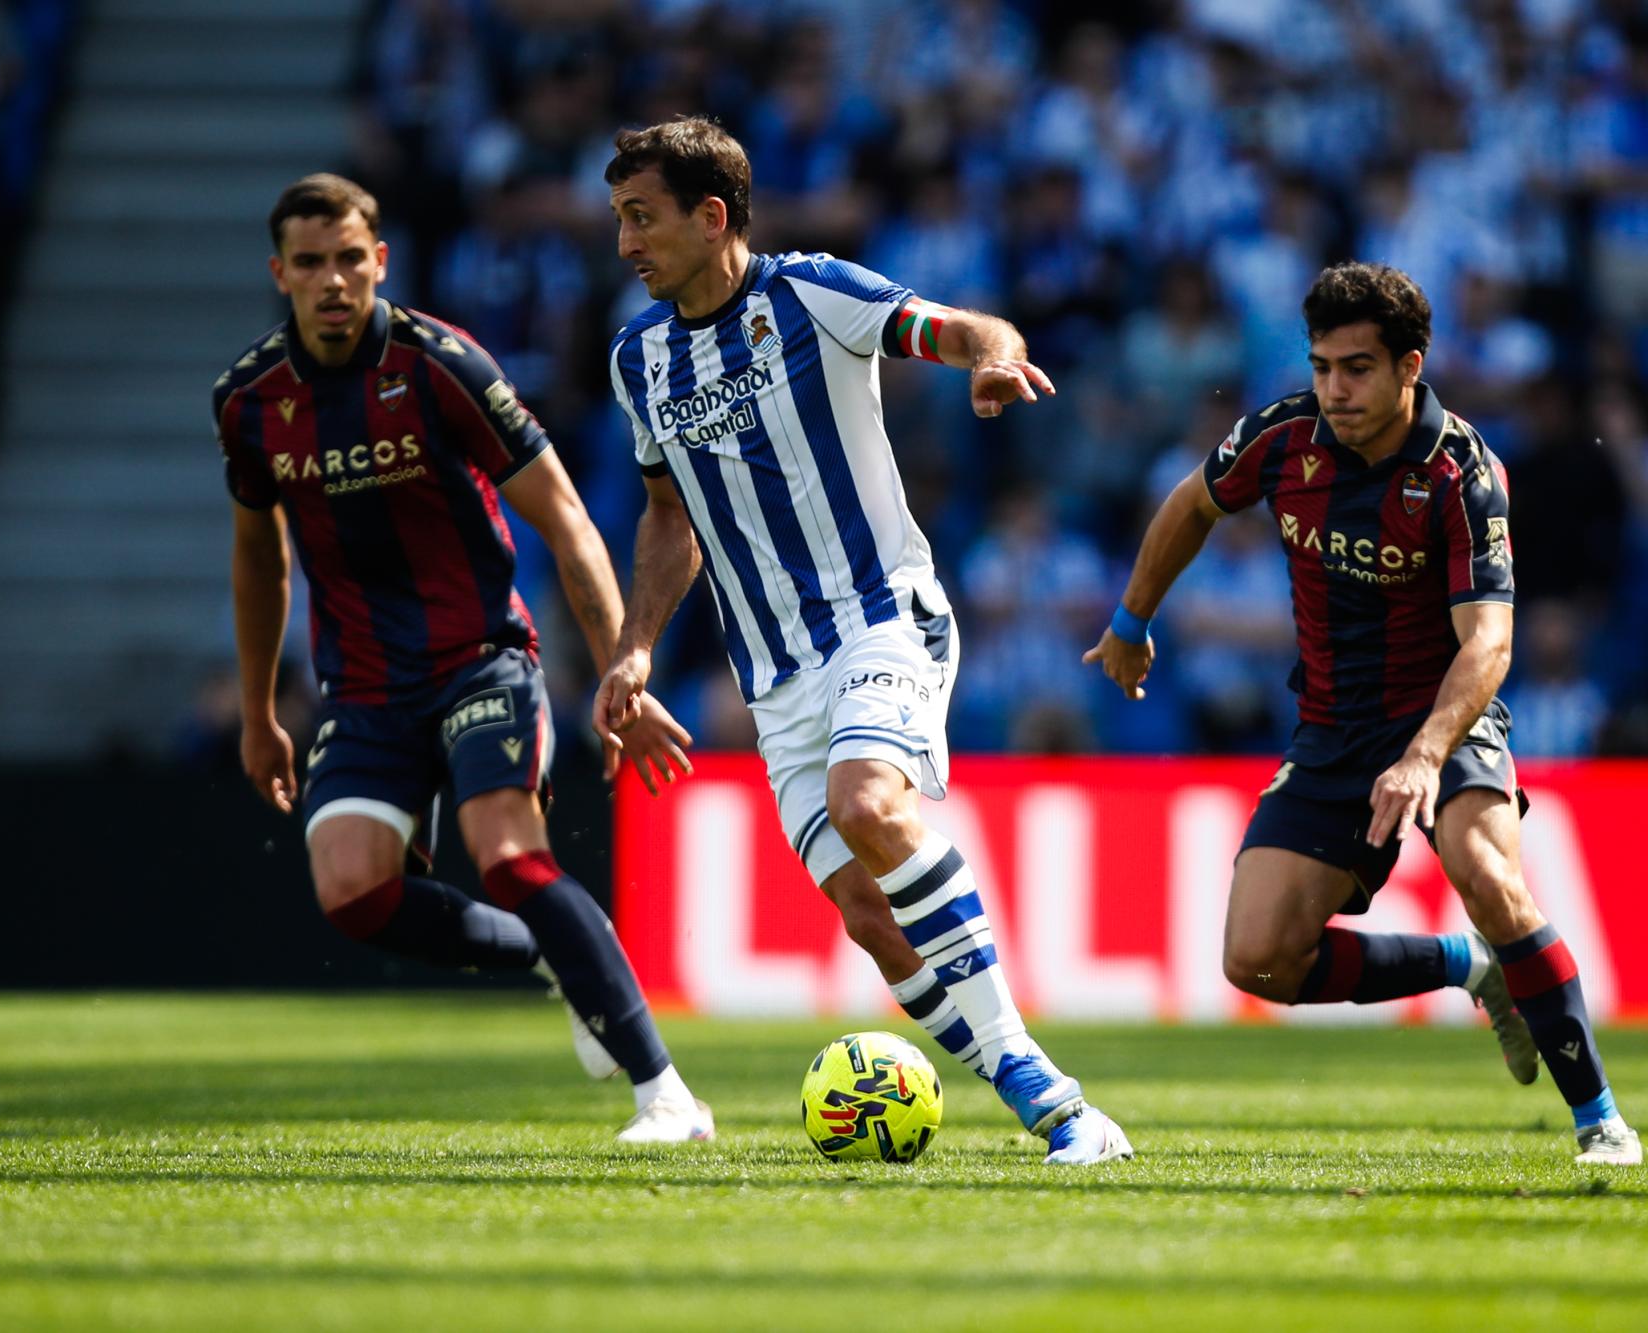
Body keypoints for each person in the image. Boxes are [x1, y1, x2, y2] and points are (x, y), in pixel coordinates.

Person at [594, 118, 1131, 1165]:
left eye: (642, 217)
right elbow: (666, 516)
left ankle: (1058, 1100)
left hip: (881, 616)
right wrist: (633, 646)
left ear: (712, 217)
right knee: (870, 919)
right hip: (774, 677)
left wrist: (993, 359)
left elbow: (961, 328)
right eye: (620, 218)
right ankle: (1040, 1098)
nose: (625, 243)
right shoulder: (637, 358)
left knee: (867, 804)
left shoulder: (811, 294)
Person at [1084, 261, 1638, 1167]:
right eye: (1322, 366)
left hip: (1446, 714)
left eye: (1357, 368)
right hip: (1334, 727)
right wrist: (1129, 621)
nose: (1334, 389)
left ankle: (1600, 1119)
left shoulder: (1462, 471)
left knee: (1484, 870)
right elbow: (1192, 504)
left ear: (1409, 366)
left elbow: (1490, 643)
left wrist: (1424, 754)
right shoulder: (1283, 435)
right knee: (1259, 959)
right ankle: (1470, 966)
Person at [215, 173, 711, 1144]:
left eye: (348, 259)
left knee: (510, 857)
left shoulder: (441, 365)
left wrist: (624, 664)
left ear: (379, 261)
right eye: (310, 263)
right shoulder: (249, 402)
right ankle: (561, 952)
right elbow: (258, 559)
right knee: (352, 895)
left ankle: (667, 1097)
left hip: (481, 659)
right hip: (362, 685)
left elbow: (566, 518)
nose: (332, 281)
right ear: (280, 274)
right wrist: (258, 711)